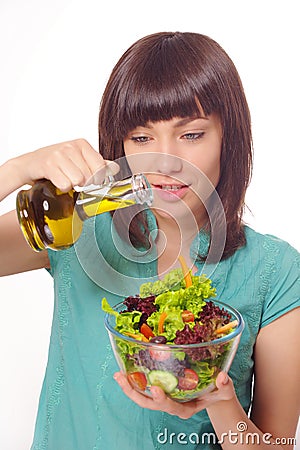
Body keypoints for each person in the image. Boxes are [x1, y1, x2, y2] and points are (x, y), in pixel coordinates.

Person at [0, 31, 299, 450]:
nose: (166, 160)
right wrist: (14, 170)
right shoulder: (76, 226)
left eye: (191, 135)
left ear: (228, 138)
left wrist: (220, 400)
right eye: (141, 138)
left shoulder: (276, 270)